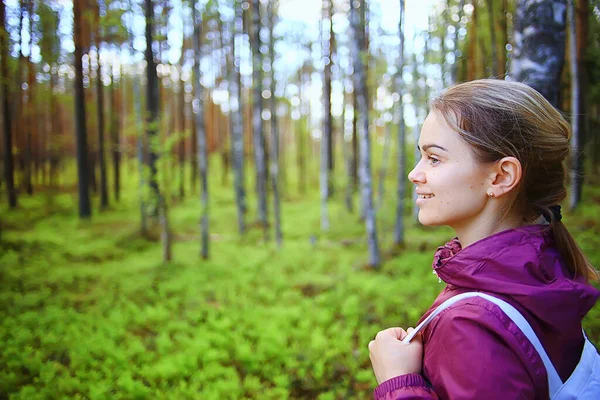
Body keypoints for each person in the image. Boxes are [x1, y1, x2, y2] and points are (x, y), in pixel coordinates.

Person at [368, 79, 600, 399]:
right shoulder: (547, 265)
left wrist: (398, 381)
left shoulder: (471, 325)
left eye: (434, 158)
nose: (415, 173)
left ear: (501, 176)